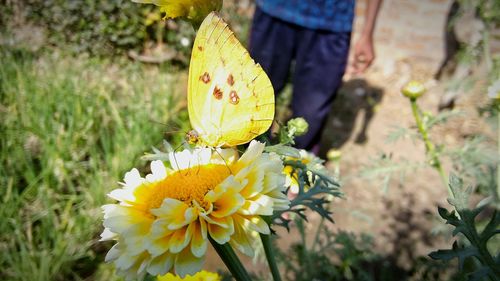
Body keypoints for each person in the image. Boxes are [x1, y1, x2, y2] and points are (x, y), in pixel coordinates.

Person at [249, 0, 382, 155]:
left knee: (311, 114)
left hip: (332, 22)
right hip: (275, 10)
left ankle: (296, 168)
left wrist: (367, 33)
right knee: (254, 100)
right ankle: (243, 163)